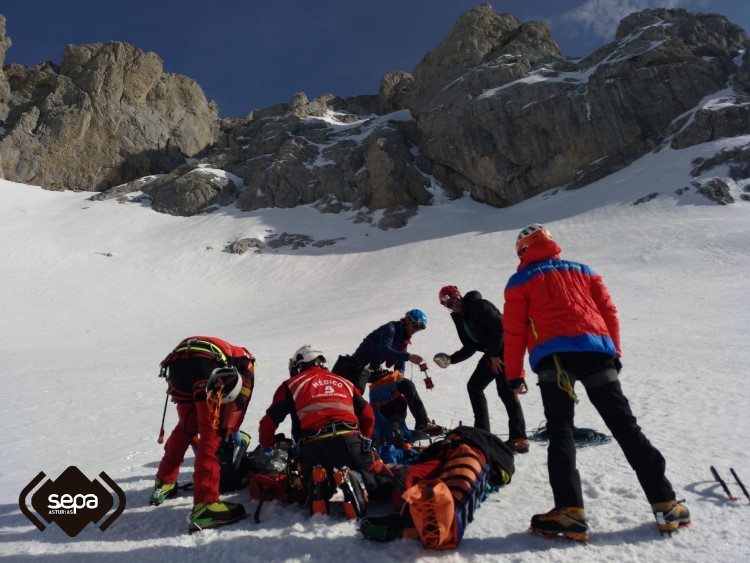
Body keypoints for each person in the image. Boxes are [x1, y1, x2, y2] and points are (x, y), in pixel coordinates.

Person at [502, 224, 690, 541]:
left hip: (554, 358)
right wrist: (614, 352)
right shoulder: (583, 270)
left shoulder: (519, 281)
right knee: (625, 425)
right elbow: (609, 311)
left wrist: (514, 375)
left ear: (522, 251)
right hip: (596, 351)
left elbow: (515, 330)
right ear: (550, 243)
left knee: (560, 428)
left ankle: (570, 511)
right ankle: (665, 503)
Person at [258, 345, 377, 518]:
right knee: (375, 472)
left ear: (300, 365)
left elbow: (268, 422)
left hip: (314, 448)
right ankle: (357, 479)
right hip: (351, 442)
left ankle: (318, 483)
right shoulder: (345, 382)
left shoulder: (291, 385)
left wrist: (267, 445)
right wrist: (365, 437)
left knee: (306, 473)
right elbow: (368, 415)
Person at [151, 336, 255, 533]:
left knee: (186, 427)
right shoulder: (246, 360)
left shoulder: (228, 352)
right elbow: (242, 397)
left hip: (176, 367)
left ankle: (164, 481)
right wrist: (230, 429)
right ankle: (205, 505)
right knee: (211, 434)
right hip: (203, 366)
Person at [433, 285, 529, 453]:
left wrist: (493, 354)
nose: (454, 305)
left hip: (505, 349)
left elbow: (499, 326)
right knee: (474, 386)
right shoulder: (460, 318)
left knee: (505, 391)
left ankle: (519, 439)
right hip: (493, 353)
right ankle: (483, 434)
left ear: (459, 296)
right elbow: (470, 346)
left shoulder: (478, 305)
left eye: (455, 300)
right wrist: (451, 359)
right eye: (449, 304)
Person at [332, 309, 442, 436]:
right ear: (407, 320)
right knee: (357, 395)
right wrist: (409, 357)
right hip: (360, 367)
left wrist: (399, 372)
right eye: (414, 326)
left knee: (407, 386)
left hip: (373, 369)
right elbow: (385, 350)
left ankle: (422, 423)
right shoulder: (391, 328)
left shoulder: (403, 338)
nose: (415, 330)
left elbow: (400, 361)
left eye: (418, 328)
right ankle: (351, 427)